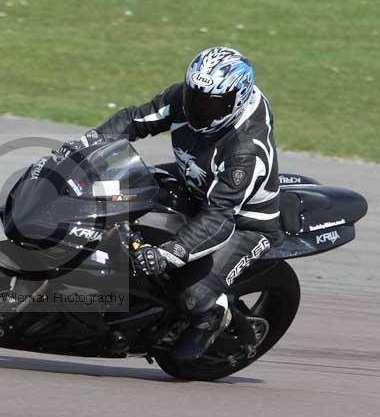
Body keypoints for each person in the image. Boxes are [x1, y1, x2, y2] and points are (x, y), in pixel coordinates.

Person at [55, 46, 283, 360]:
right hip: (195, 184)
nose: (200, 110)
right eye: (196, 99)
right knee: (113, 197)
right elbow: (134, 119)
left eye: (213, 105)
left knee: (191, 295)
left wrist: (168, 254)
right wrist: (87, 145)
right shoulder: (184, 98)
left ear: (238, 100)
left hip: (243, 221)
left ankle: (212, 317)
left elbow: (219, 218)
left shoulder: (245, 151)